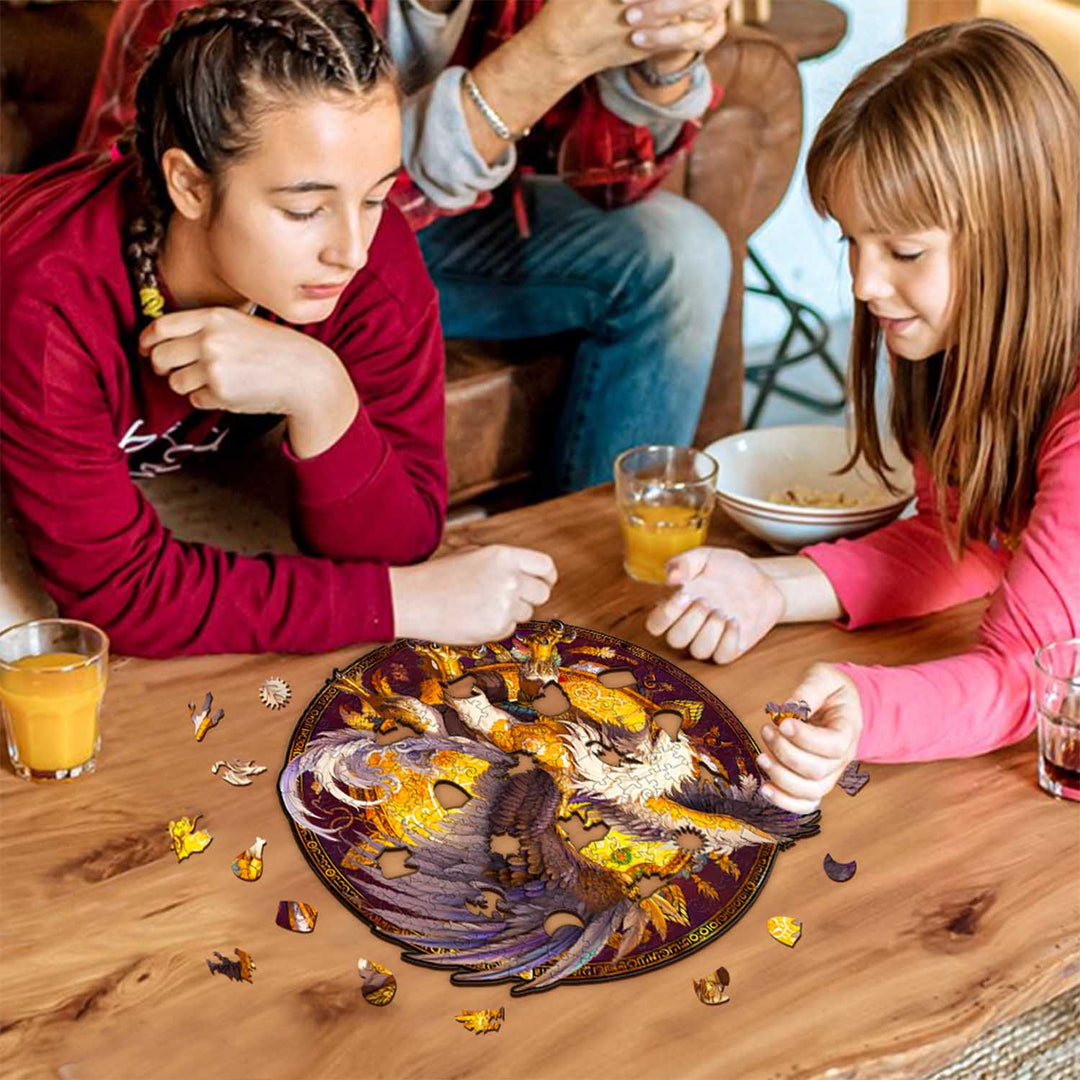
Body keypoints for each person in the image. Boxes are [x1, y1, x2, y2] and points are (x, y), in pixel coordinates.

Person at [0, 0, 556, 657]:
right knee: (33, 650)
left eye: (375, 196)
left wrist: (320, 391)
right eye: (304, 209)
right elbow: (124, 599)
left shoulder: (370, 256)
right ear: (189, 185)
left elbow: (402, 538)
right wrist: (406, 602)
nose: (351, 248)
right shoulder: (49, 300)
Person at [645, 19, 1080, 810]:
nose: (862, 283)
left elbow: (1031, 673)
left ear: (1022, 237)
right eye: (852, 240)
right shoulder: (965, 347)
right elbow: (966, 537)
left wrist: (867, 709)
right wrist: (773, 588)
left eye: (904, 252)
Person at [75, 0, 734, 493]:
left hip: (430, 222)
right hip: (229, 247)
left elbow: (616, 188)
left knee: (681, 252)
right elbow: (168, 206)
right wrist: (545, 59)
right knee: (338, 225)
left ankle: (605, 566)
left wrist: (661, 63)